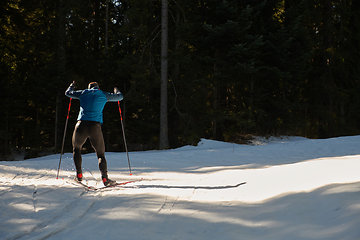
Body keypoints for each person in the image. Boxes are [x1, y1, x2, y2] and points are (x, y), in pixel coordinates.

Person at [65, 81, 123, 186]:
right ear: (98, 87)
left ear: (89, 87)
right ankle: (105, 179)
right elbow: (120, 97)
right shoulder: (103, 94)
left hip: (81, 125)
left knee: (76, 149)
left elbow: (68, 93)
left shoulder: (83, 93)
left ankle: (79, 175)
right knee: (100, 154)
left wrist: (72, 86)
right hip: (95, 127)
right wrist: (116, 90)